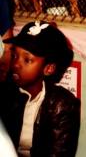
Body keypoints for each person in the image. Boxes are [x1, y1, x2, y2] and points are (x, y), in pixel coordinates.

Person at [0, 20, 80, 157]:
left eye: (27, 60)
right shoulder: (5, 93)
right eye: (14, 55)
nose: (16, 64)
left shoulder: (62, 106)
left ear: (48, 69)